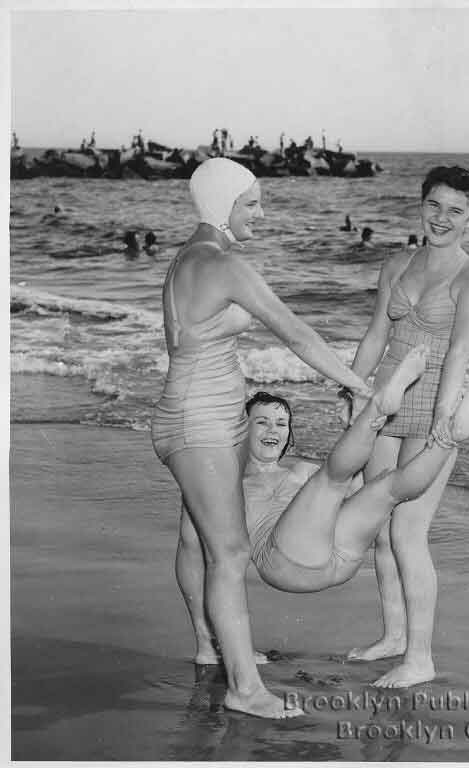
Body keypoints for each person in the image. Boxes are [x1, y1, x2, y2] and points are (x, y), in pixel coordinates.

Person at [151, 157, 371, 719]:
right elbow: (297, 332)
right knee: (230, 552)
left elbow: (187, 344)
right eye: (251, 203)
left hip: (195, 417)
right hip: (202, 423)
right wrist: (360, 387)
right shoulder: (223, 263)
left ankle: (213, 646)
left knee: (204, 541)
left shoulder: (185, 259)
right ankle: (245, 689)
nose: (262, 214)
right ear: (224, 205)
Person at [182, 355, 469, 663]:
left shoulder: (300, 471)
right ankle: (376, 410)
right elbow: (192, 551)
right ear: (242, 431)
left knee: (387, 487)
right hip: (285, 563)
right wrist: (211, 641)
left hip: (341, 555)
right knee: (331, 478)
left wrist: (356, 449)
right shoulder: (224, 484)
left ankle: (450, 437)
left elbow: (357, 492)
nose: (273, 430)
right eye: (261, 422)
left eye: (281, 423)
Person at [339, 165, 469, 688]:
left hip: (430, 411)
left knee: (408, 531)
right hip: (385, 402)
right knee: (379, 527)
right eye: (434, 205)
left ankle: (421, 658)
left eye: (456, 210)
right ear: (420, 204)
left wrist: (446, 421)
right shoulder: (396, 262)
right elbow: (377, 333)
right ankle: (394, 637)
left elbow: (460, 354)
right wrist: (353, 389)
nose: (441, 218)